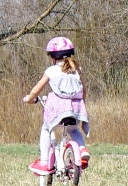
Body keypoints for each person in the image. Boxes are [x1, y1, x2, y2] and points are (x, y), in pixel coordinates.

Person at [23, 37, 91, 175]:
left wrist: (29, 99)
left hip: (58, 111)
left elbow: (36, 90)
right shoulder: (77, 69)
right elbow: (83, 90)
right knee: (73, 130)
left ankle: (43, 161)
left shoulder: (52, 71)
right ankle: (82, 149)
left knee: (46, 129)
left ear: (53, 57)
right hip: (76, 109)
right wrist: (81, 103)